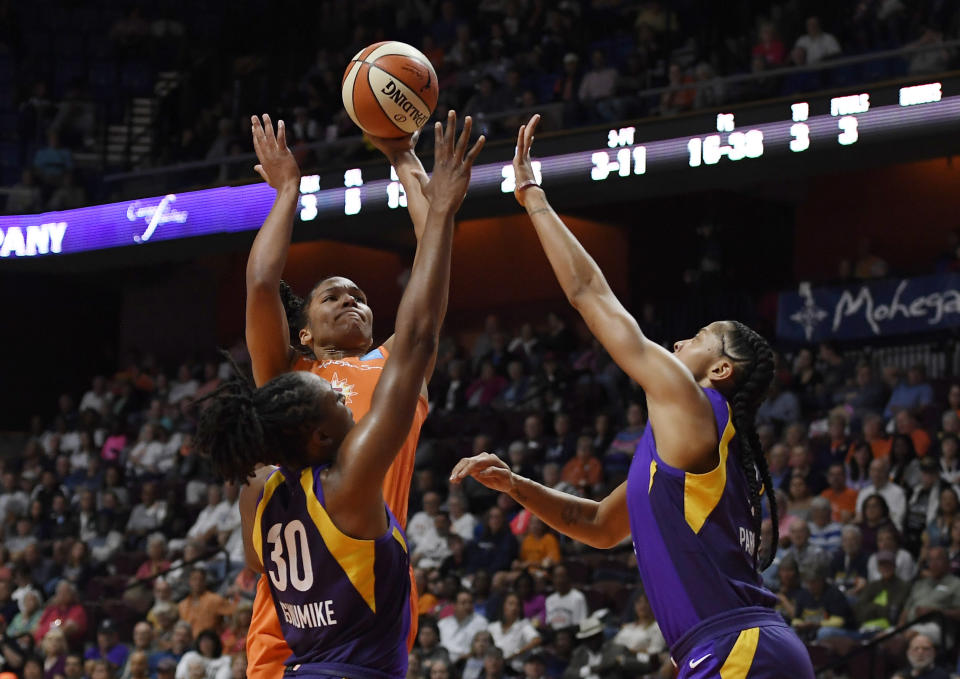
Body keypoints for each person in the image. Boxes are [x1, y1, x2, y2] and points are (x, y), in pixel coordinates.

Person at [453, 115, 814, 678]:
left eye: (696, 339)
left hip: (737, 651)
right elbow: (599, 525)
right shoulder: (694, 450)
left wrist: (532, 197)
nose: (677, 341)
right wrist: (516, 485)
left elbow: (587, 292)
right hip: (737, 648)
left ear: (720, 369)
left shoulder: (696, 406)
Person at [199, 111, 483, 679]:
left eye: (359, 296)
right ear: (303, 331)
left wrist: (408, 165)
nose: (351, 300)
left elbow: (430, 287)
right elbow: (260, 285)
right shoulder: (287, 374)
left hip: (362, 564)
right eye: (332, 296)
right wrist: (286, 192)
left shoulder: (390, 364)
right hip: (294, 601)